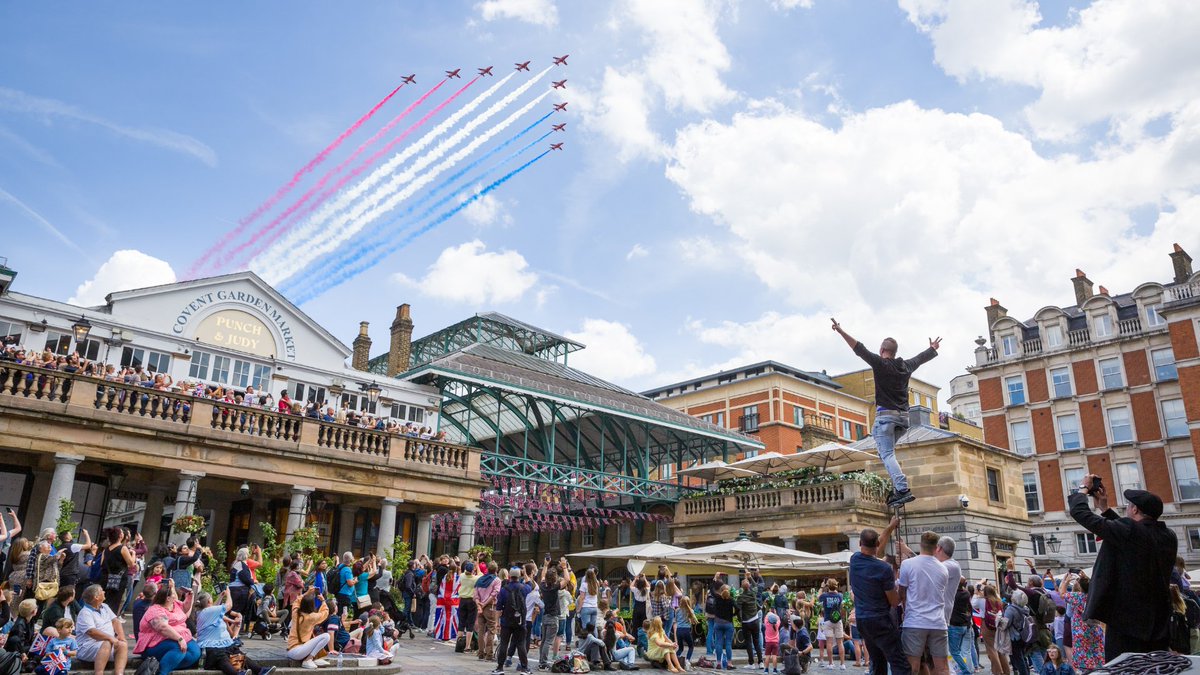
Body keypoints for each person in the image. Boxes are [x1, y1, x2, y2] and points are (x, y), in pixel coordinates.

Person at [831, 318, 939, 507]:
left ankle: (902, 488)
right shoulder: (905, 366)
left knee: (887, 454)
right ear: (895, 352)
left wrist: (840, 331)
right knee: (887, 454)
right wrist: (932, 348)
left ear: (882, 351)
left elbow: (859, 348)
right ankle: (898, 488)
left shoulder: (880, 363)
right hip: (904, 420)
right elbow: (920, 358)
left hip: (886, 418)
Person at [1069, 476, 1177, 660]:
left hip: (1127, 623)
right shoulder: (1168, 536)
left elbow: (1081, 513)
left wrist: (1082, 490)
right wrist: (1105, 509)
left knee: (1123, 667)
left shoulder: (1130, 532)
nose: (1127, 508)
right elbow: (1132, 535)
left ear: (1134, 509)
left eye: (1128, 505)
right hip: (1158, 622)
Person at [848, 520, 909, 675]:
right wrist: (902, 590)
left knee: (877, 662)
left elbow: (875, 549)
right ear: (875, 543)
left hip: (862, 620)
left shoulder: (854, 560)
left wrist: (889, 528)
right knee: (899, 662)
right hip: (880, 620)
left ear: (860, 543)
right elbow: (894, 601)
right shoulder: (884, 569)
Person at [898, 531, 949, 675]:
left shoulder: (907, 564)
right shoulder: (943, 569)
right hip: (938, 622)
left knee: (912, 666)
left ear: (920, 544)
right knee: (942, 667)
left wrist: (904, 609)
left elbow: (902, 593)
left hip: (915, 621)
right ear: (937, 547)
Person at [194, 590, 275, 675]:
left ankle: (260, 671)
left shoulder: (205, 611)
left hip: (221, 645)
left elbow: (215, 607)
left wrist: (221, 597)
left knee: (237, 653)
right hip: (211, 649)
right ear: (209, 601)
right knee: (222, 657)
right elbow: (229, 605)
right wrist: (229, 593)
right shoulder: (208, 612)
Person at [133, 580, 202, 675]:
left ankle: (166, 664)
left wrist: (190, 597)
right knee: (179, 648)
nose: (175, 595)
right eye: (173, 594)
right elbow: (163, 628)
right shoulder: (155, 610)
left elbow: (185, 608)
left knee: (195, 653)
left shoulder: (175, 604)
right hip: (153, 644)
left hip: (179, 638)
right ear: (168, 598)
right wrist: (180, 638)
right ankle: (161, 672)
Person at [74, 585, 128, 675]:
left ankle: (119, 673)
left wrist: (121, 637)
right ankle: (99, 673)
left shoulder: (104, 606)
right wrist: (111, 638)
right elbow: (92, 632)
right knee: (107, 642)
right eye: (101, 591)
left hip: (107, 645)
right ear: (96, 597)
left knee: (123, 645)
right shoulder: (85, 612)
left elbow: (115, 621)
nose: (104, 592)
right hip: (88, 648)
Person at [491, 569, 530, 675]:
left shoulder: (504, 590)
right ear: (519, 576)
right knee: (521, 644)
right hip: (520, 621)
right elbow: (530, 583)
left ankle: (500, 668)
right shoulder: (525, 588)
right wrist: (525, 573)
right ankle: (525, 668)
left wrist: (496, 622)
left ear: (509, 577)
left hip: (506, 621)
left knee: (504, 643)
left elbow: (499, 608)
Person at [287, 588, 332, 669]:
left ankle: (314, 658)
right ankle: (309, 659)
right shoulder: (311, 617)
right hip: (299, 651)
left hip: (291, 650)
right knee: (326, 636)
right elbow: (325, 612)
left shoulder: (295, 613)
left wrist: (306, 593)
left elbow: (296, 602)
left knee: (313, 637)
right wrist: (323, 600)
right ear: (312, 605)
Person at [817, 578, 845, 669]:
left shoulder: (825, 596)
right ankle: (842, 664)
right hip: (838, 620)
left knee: (829, 643)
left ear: (827, 586)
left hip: (828, 619)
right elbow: (841, 607)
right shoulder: (840, 595)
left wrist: (821, 587)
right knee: (840, 642)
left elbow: (818, 597)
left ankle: (831, 663)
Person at [738, 578, 765, 669]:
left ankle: (751, 663)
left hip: (746, 622)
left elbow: (738, 609)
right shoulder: (753, 594)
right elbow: (756, 586)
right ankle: (761, 662)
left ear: (742, 587)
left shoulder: (741, 597)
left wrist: (739, 619)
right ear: (749, 586)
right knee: (756, 642)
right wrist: (750, 577)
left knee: (749, 643)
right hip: (755, 620)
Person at [538, 569, 561, 669]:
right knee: (547, 641)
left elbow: (543, 577)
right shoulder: (554, 587)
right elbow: (567, 579)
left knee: (543, 641)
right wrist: (565, 567)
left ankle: (541, 661)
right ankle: (543, 663)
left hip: (545, 616)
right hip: (553, 617)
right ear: (555, 578)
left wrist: (546, 565)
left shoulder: (543, 586)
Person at [710, 584, 736, 670]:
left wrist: (715, 580)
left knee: (718, 643)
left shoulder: (717, 598)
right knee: (728, 643)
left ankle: (718, 662)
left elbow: (712, 590)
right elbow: (738, 608)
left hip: (718, 623)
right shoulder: (731, 600)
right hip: (728, 623)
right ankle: (729, 663)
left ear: (721, 591)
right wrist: (733, 615)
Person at [674, 595, 696, 667]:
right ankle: (687, 660)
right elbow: (693, 621)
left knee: (680, 648)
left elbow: (676, 620)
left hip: (679, 630)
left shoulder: (677, 610)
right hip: (686, 630)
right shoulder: (690, 611)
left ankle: (674, 659)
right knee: (691, 646)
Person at [764, 607, 782, 674]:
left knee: (767, 656)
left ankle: (766, 670)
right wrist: (775, 613)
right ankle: (774, 670)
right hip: (775, 642)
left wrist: (769, 612)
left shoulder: (767, 623)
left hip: (768, 642)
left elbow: (766, 617)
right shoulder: (777, 624)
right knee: (774, 656)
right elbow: (778, 618)